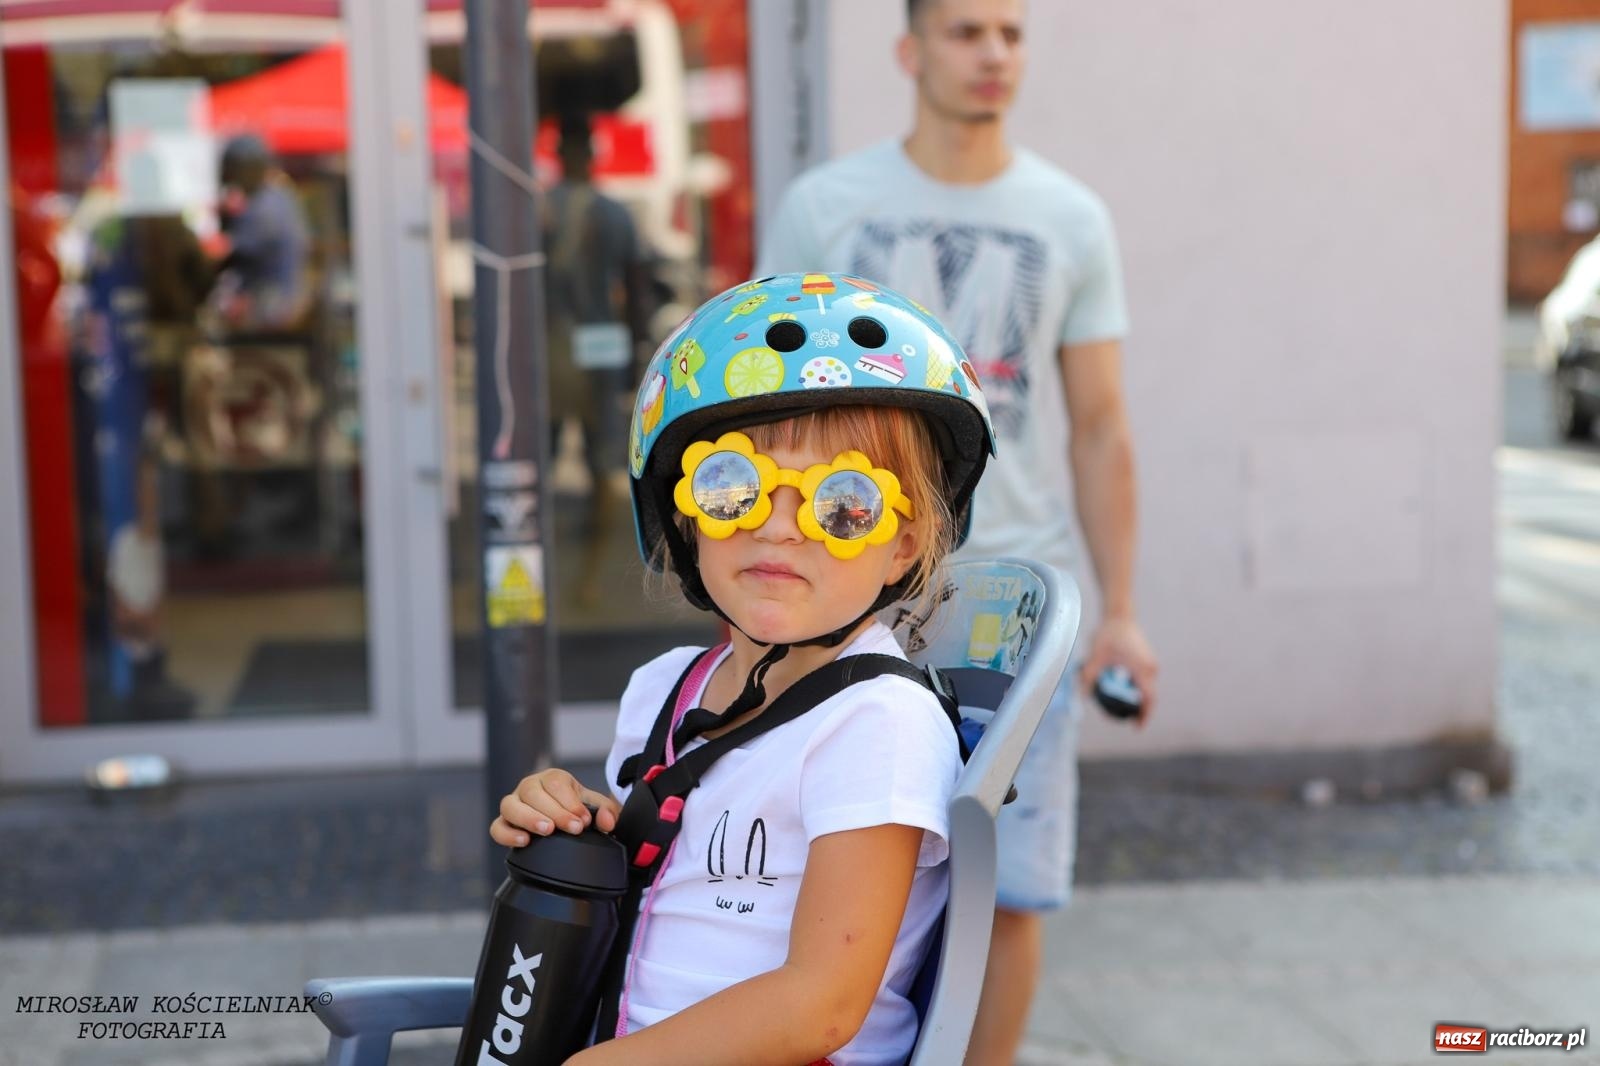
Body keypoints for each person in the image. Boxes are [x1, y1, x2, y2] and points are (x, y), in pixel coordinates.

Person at [754, 1, 1161, 1060]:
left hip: (1013, 612)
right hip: (855, 599)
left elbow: (1101, 426)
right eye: (966, 30)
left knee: (1005, 893)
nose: (992, 53)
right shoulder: (826, 206)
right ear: (909, 51)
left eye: (1010, 33)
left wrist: (1118, 614)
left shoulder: (1069, 217)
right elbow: (767, 413)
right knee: (832, 883)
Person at [489, 273, 997, 1064]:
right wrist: (580, 826)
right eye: (736, 489)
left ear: (905, 543)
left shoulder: (877, 725)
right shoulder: (663, 690)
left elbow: (820, 1004)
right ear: (685, 512)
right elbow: (669, 899)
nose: (782, 531)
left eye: (844, 504)